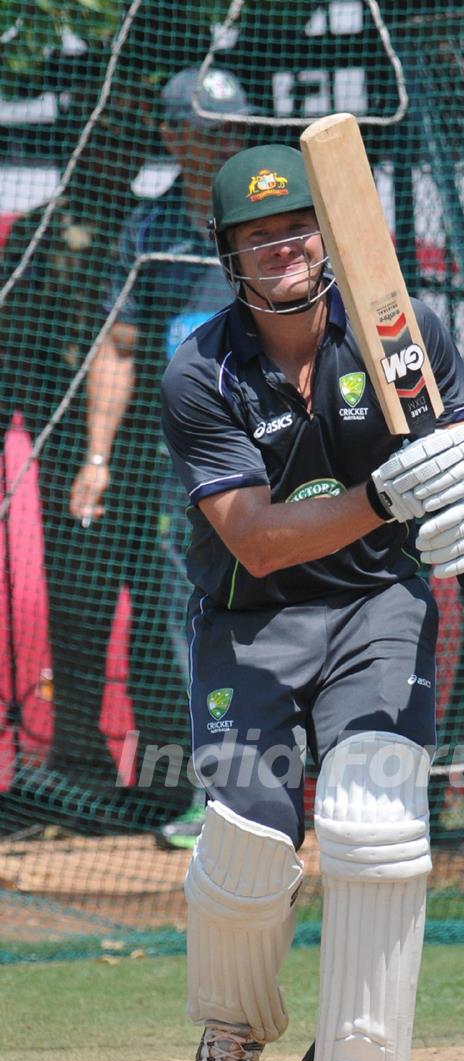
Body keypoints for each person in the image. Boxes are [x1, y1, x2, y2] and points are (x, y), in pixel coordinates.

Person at [160, 141, 464, 1061]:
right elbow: (258, 540)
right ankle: (233, 1028)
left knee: (372, 822)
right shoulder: (201, 372)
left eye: (297, 227)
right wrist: (386, 497)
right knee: (245, 845)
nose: (283, 248)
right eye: (257, 236)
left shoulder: (401, 335)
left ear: (328, 233)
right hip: (252, 619)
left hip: (375, 609)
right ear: (230, 255)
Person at [52, 64, 255, 829]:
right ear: (173, 137)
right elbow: (121, 348)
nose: (227, 141)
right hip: (189, 469)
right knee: (190, 616)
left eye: (236, 127)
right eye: (210, 130)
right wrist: (97, 458)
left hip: (278, 457)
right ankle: (221, 796)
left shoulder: (271, 214)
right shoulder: (149, 230)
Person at [0, 73, 158, 827]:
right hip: (76, 457)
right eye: (110, 142)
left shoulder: (152, 228)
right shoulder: (42, 232)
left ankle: (163, 775)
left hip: (156, 454)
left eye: (131, 144)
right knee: (82, 614)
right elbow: (13, 344)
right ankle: (81, 768)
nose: (120, 157)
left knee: (162, 613)